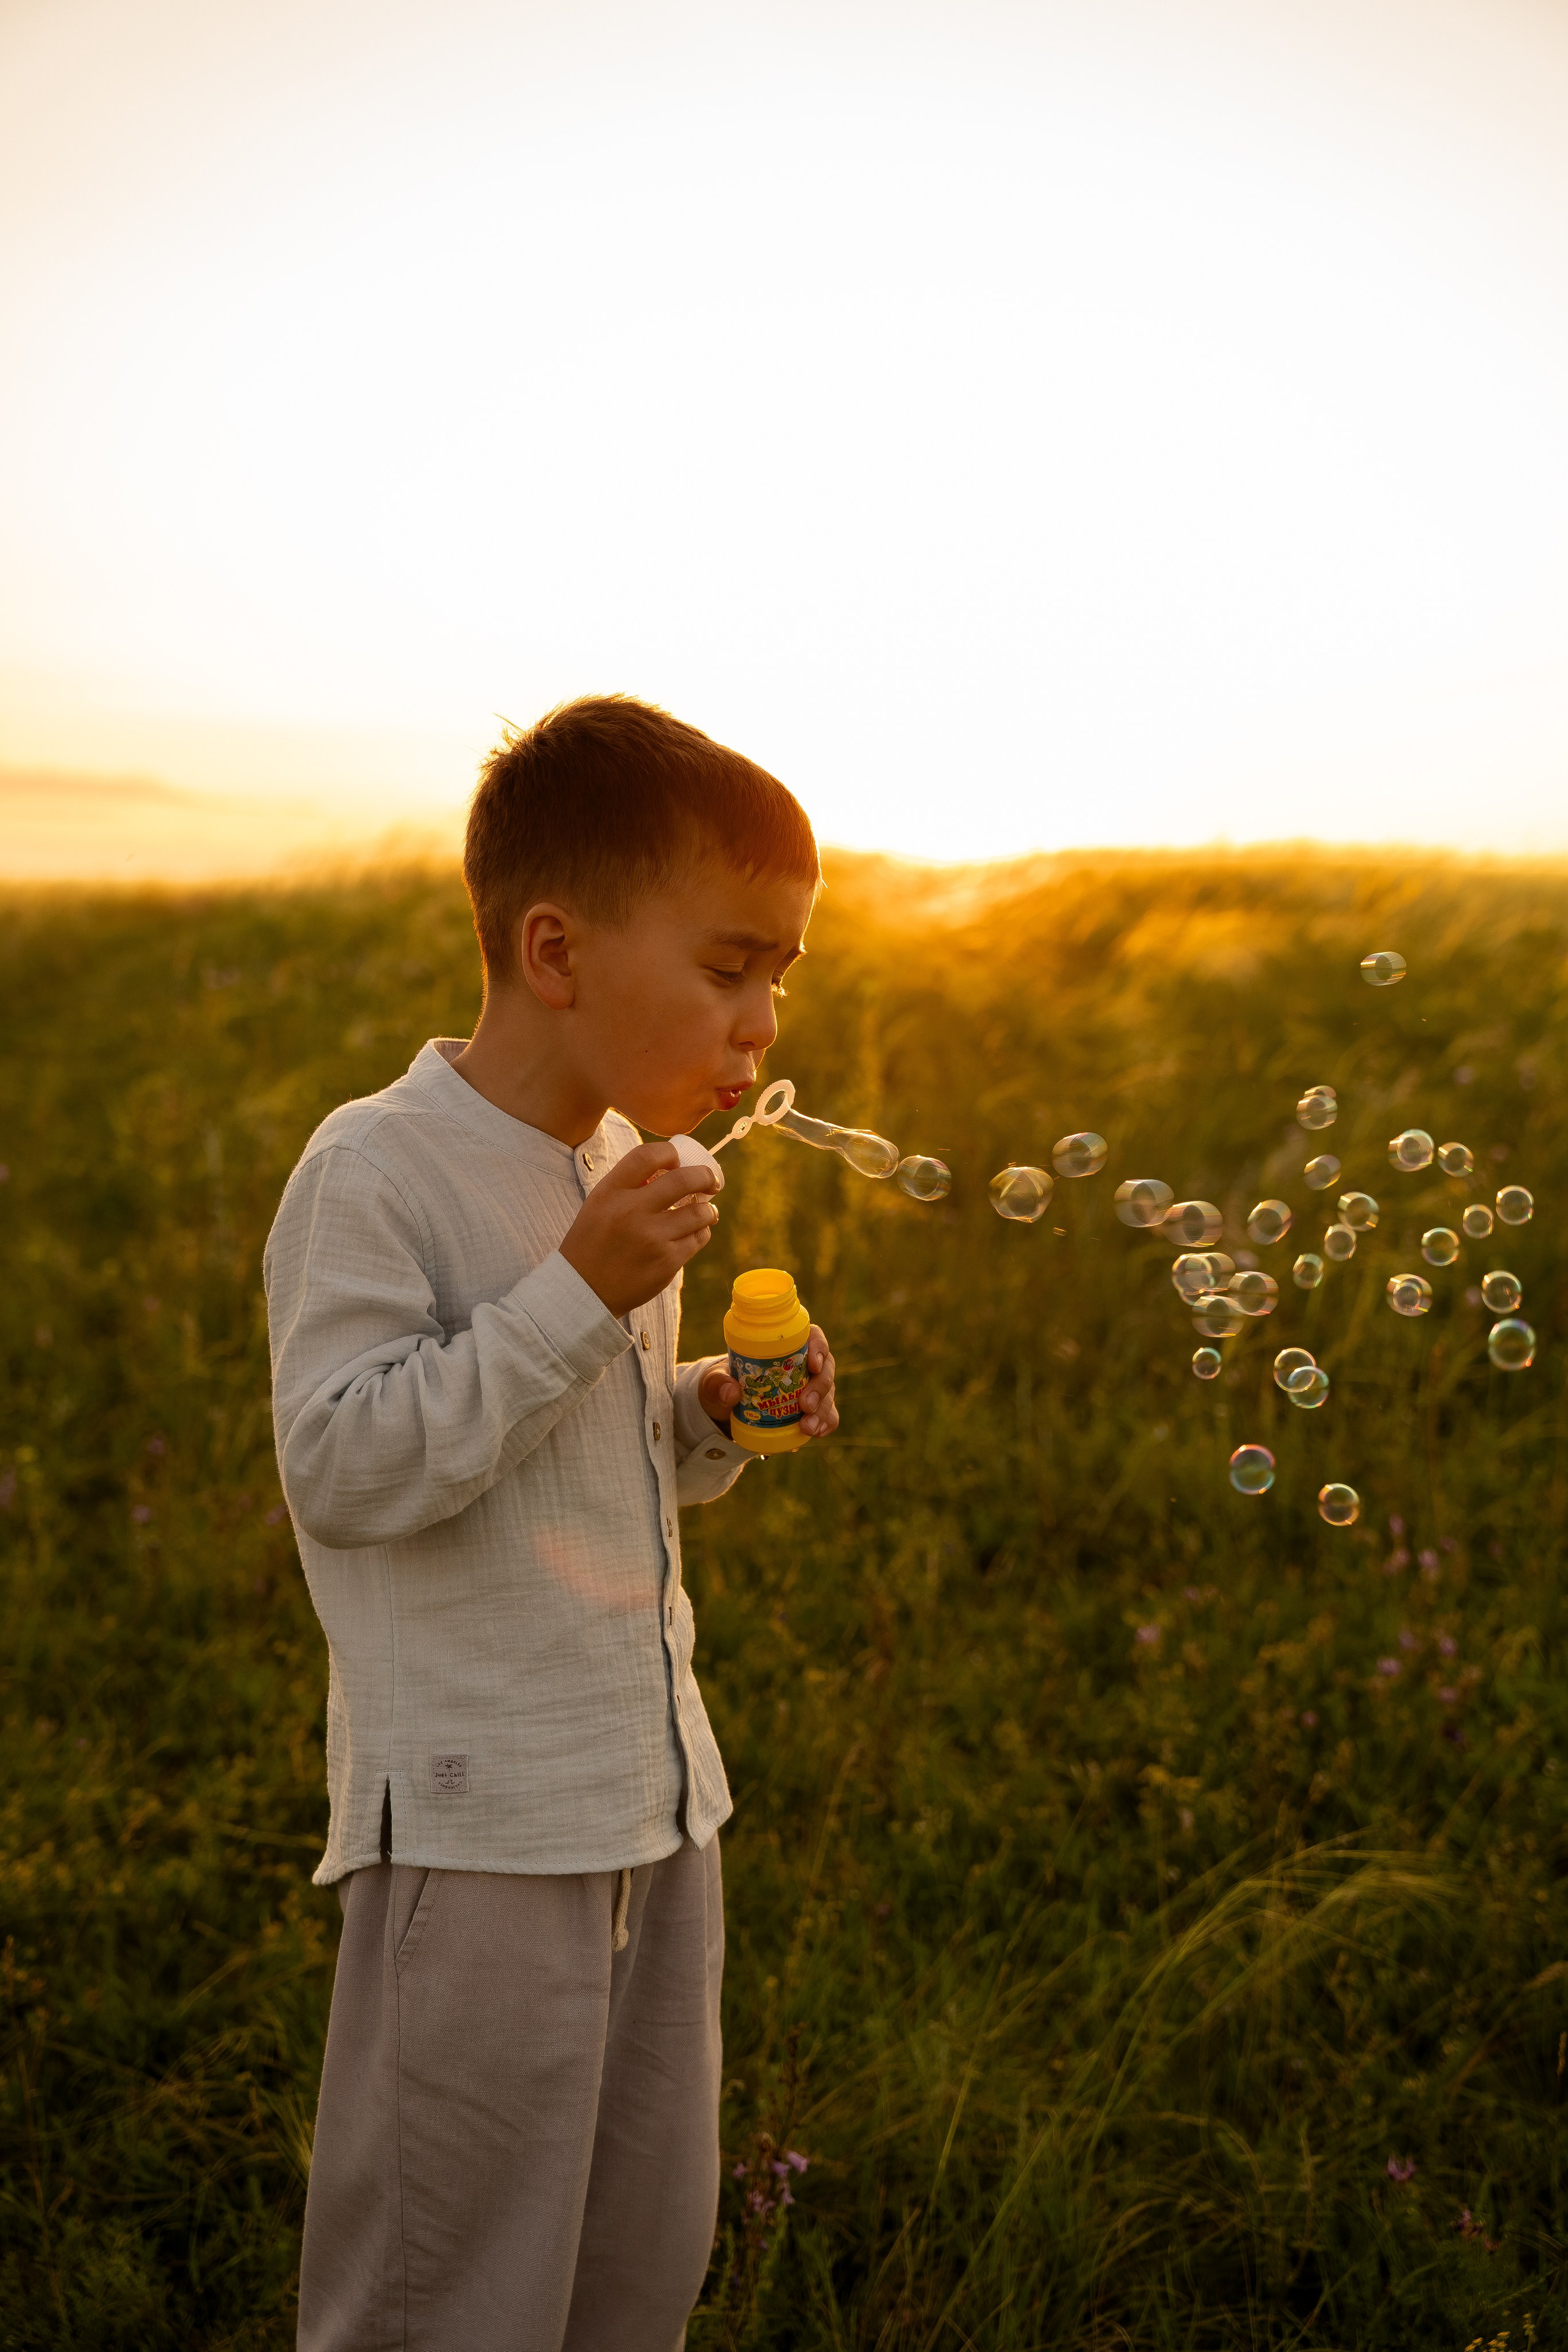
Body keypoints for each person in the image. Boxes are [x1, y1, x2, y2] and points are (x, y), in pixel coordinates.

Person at [263, 696, 839, 2352]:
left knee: (630, 2263)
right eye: (730, 968)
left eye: (779, 979)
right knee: (453, 2286)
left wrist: (706, 1419)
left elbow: (576, 1458)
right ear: (556, 949)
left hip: (655, 1806)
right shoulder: (379, 1170)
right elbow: (349, 1466)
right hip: (475, 1829)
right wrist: (580, 1287)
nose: (762, 1021)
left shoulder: (614, 1160)